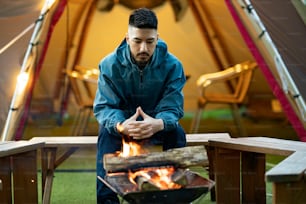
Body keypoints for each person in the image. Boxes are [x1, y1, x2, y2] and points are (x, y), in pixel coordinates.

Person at [93, 8, 186, 204]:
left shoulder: (173, 65)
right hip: (124, 127)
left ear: (157, 38)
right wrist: (120, 125)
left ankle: (175, 197)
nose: (143, 48)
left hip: (156, 126)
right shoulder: (109, 65)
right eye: (137, 41)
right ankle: (107, 200)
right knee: (106, 133)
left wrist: (159, 123)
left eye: (150, 42)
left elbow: (173, 106)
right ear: (127, 38)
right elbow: (104, 106)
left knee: (177, 133)